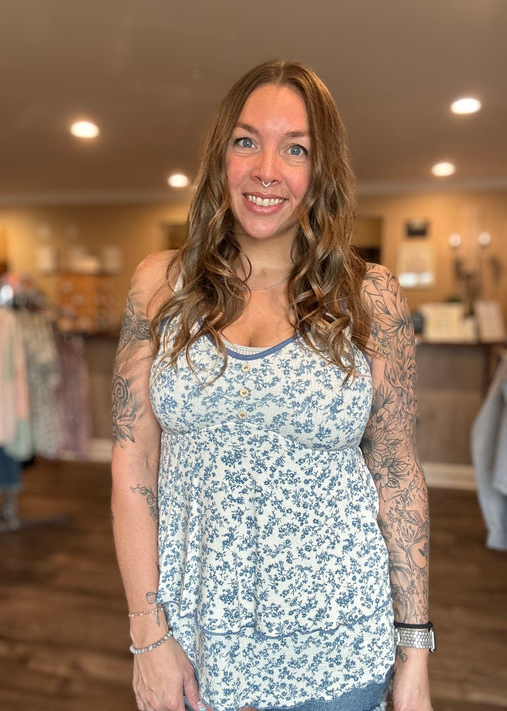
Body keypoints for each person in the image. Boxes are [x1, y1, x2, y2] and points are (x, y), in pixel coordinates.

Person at [111, 60, 433, 711]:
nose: (266, 169)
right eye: (246, 140)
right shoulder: (160, 285)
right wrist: (147, 636)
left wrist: (414, 651)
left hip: (341, 646)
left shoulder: (371, 296)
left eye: (295, 149)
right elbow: (132, 460)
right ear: (220, 156)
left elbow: (397, 472)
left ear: (322, 170)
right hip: (196, 644)